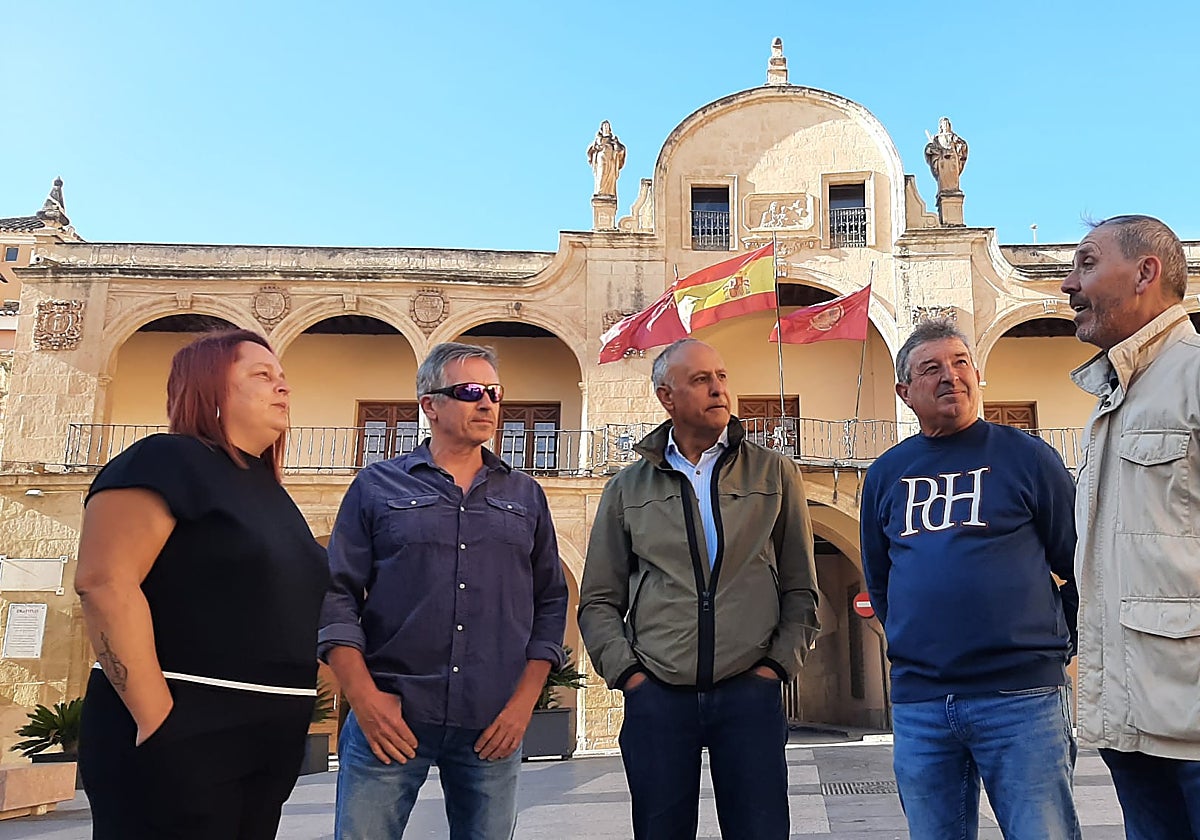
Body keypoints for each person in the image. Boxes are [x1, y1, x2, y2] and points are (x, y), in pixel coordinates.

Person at [75, 329, 329, 839]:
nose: (283, 388)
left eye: (283, 378)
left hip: (265, 742)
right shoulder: (163, 461)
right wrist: (157, 722)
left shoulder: (271, 495)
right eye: (262, 375)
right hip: (185, 732)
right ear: (210, 389)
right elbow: (104, 582)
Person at [320, 342, 568, 839]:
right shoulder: (376, 487)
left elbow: (551, 600)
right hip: (391, 718)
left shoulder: (525, 495)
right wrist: (365, 699)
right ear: (429, 404)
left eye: (495, 392)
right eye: (470, 391)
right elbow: (336, 596)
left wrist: (523, 706)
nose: (488, 404)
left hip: (492, 724)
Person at [579, 337, 819, 840]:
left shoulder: (775, 472)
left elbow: (801, 586)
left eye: (722, 377)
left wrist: (776, 667)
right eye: (701, 380)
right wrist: (628, 674)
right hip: (659, 696)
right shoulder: (627, 487)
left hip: (749, 692)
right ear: (667, 398)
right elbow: (600, 597)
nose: (718, 390)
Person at [860, 319, 1081, 840]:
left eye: (961, 363)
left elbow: (1076, 564)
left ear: (978, 376)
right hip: (922, 705)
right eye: (931, 368)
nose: (950, 376)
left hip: (1022, 697)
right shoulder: (887, 474)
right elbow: (881, 581)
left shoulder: (1027, 458)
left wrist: (1051, 647)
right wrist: (920, 646)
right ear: (904, 392)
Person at [1061, 215, 1200, 838]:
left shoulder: (1192, 377)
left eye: (1087, 263)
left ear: (1146, 273)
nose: (1069, 284)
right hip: (1132, 723)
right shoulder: (1114, 400)